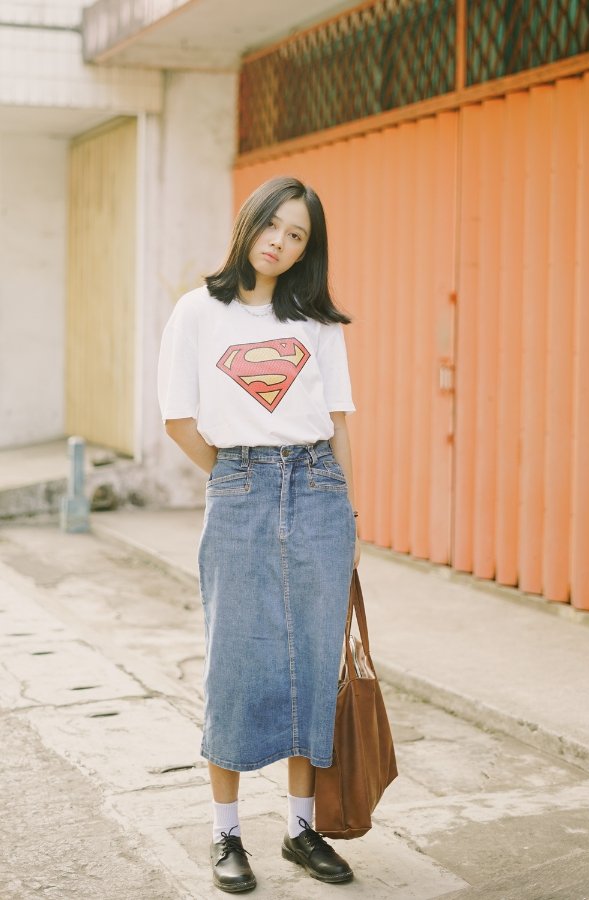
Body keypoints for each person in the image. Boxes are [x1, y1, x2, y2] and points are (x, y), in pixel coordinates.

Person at [158, 176, 360, 893]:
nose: (280, 240)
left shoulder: (315, 321)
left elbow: (337, 417)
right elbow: (178, 418)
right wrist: (238, 476)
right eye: (272, 224)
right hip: (240, 488)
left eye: (297, 233)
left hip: (318, 491)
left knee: (311, 664)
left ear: (309, 247)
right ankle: (226, 835)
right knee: (236, 665)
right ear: (249, 224)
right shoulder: (198, 312)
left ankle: (302, 831)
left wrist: (347, 513)